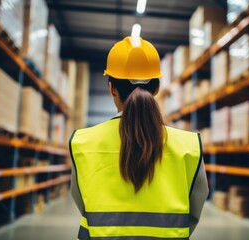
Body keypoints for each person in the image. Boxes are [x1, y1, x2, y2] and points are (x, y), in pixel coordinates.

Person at [69, 36, 209, 240]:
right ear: (157, 88)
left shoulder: (82, 143)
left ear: (111, 88)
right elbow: (194, 210)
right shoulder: (189, 146)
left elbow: (82, 200)